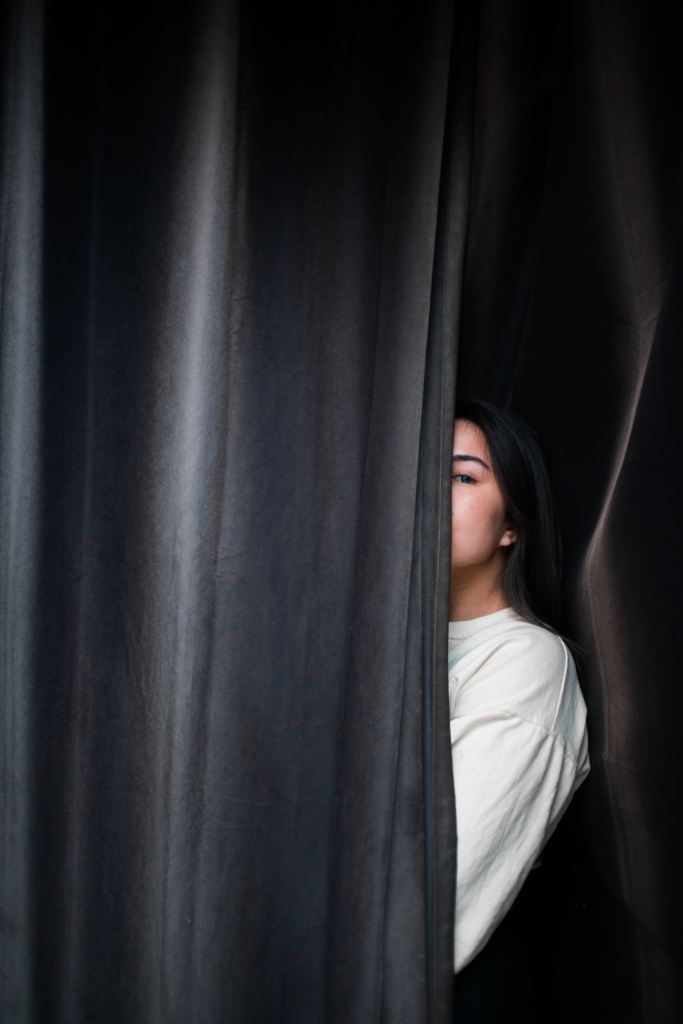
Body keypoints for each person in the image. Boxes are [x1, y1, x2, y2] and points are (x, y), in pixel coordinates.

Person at [448, 398, 590, 1018]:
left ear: (512, 525)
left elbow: (436, 893)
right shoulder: (380, 643)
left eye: (462, 477)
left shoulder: (529, 662)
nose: (429, 494)